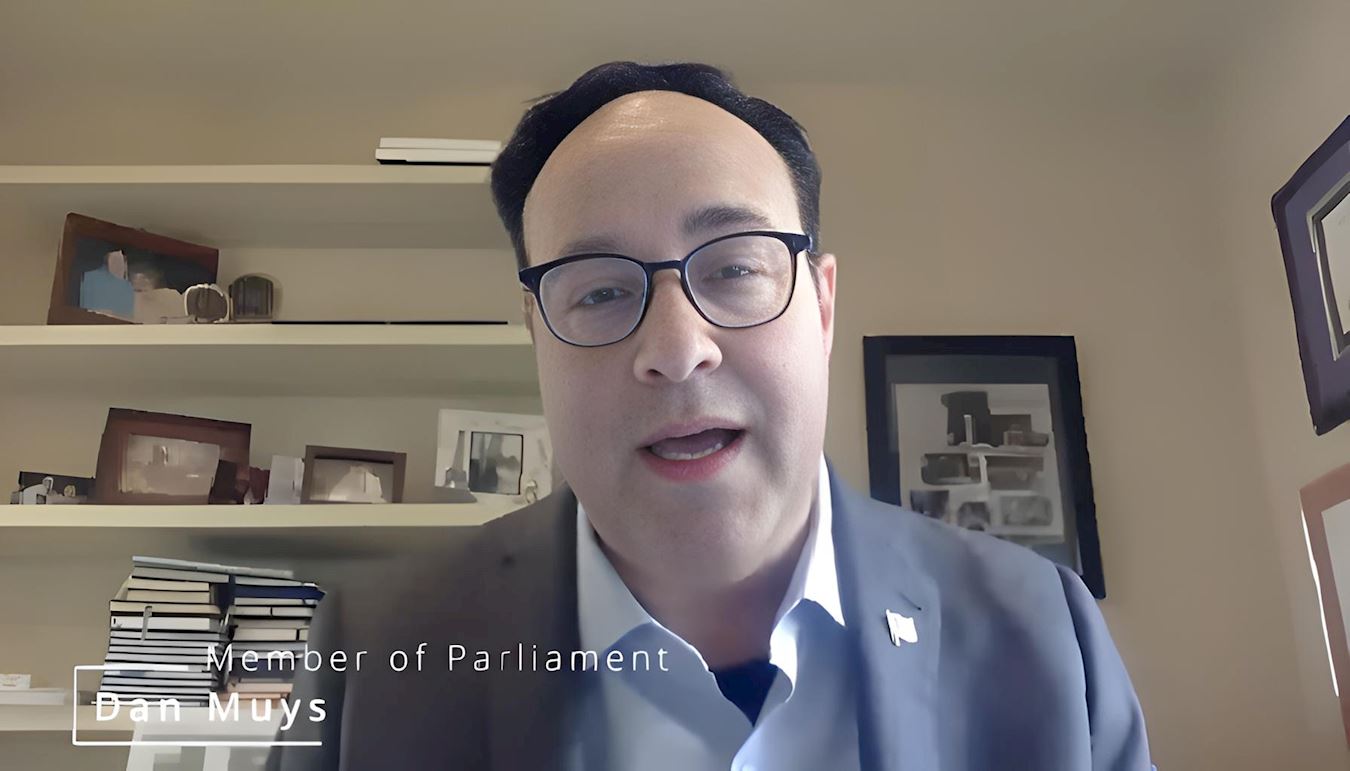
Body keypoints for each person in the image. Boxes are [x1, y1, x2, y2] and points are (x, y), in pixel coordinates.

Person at [269, 61, 1152, 770]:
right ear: (537, 332)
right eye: (601, 291)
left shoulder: (1044, 631)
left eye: (733, 268)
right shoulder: (374, 653)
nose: (677, 348)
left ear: (821, 307)